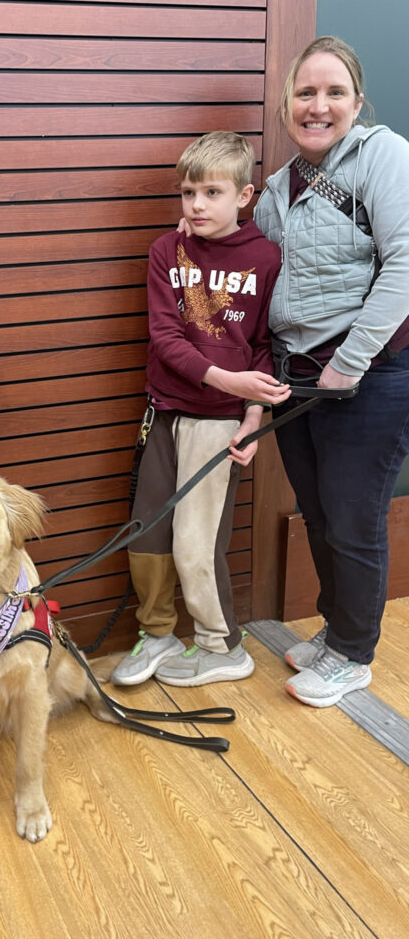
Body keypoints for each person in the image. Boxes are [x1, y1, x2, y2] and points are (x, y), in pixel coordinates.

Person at [253, 36, 409, 708]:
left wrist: (350, 364)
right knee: (318, 513)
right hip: (300, 381)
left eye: (334, 92)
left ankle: (353, 653)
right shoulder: (272, 191)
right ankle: (336, 629)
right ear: (287, 103)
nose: (318, 106)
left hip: (367, 380)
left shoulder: (384, 156)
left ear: (357, 101)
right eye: (306, 93)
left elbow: (406, 262)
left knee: (353, 518)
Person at [112, 131, 290, 689]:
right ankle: (158, 632)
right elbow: (165, 337)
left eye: (211, 192)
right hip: (164, 411)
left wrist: (253, 418)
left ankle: (221, 646)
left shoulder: (265, 256)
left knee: (196, 539)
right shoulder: (169, 250)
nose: (196, 205)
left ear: (245, 195)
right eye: (187, 193)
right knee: (148, 534)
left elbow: (265, 345)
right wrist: (223, 376)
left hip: (221, 423)